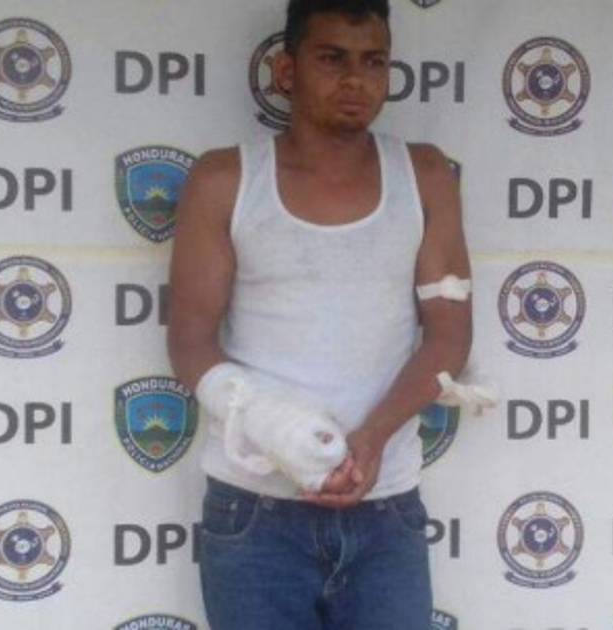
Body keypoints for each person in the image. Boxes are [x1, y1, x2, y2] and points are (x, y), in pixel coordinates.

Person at [166, 0, 472, 627]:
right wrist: (274, 427)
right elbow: (190, 342)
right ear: (287, 71)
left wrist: (371, 440)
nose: (356, 80)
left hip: (385, 508)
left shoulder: (425, 176)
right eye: (333, 59)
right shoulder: (225, 180)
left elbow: (449, 336)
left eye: (374, 62)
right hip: (255, 514)